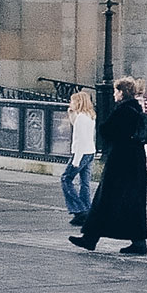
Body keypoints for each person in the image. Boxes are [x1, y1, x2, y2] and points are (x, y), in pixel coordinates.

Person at [71, 77, 147, 255]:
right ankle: (136, 241)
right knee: (131, 201)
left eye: (116, 91)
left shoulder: (123, 110)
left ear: (122, 92)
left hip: (121, 161)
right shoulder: (136, 109)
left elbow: (106, 131)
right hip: (134, 161)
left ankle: (91, 238)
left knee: (105, 198)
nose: (114, 94)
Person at [59, 89, 96, 225]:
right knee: (84, 183)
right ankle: (87, 209)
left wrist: (76, 160)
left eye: (72, 101)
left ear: (78, 102)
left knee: (65, 179)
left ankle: (79, 208)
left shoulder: (81, 118)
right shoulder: (90, 115)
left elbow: (79, 138)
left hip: (80, 152)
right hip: (90, 151)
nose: (70, 103)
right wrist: (71, 114)